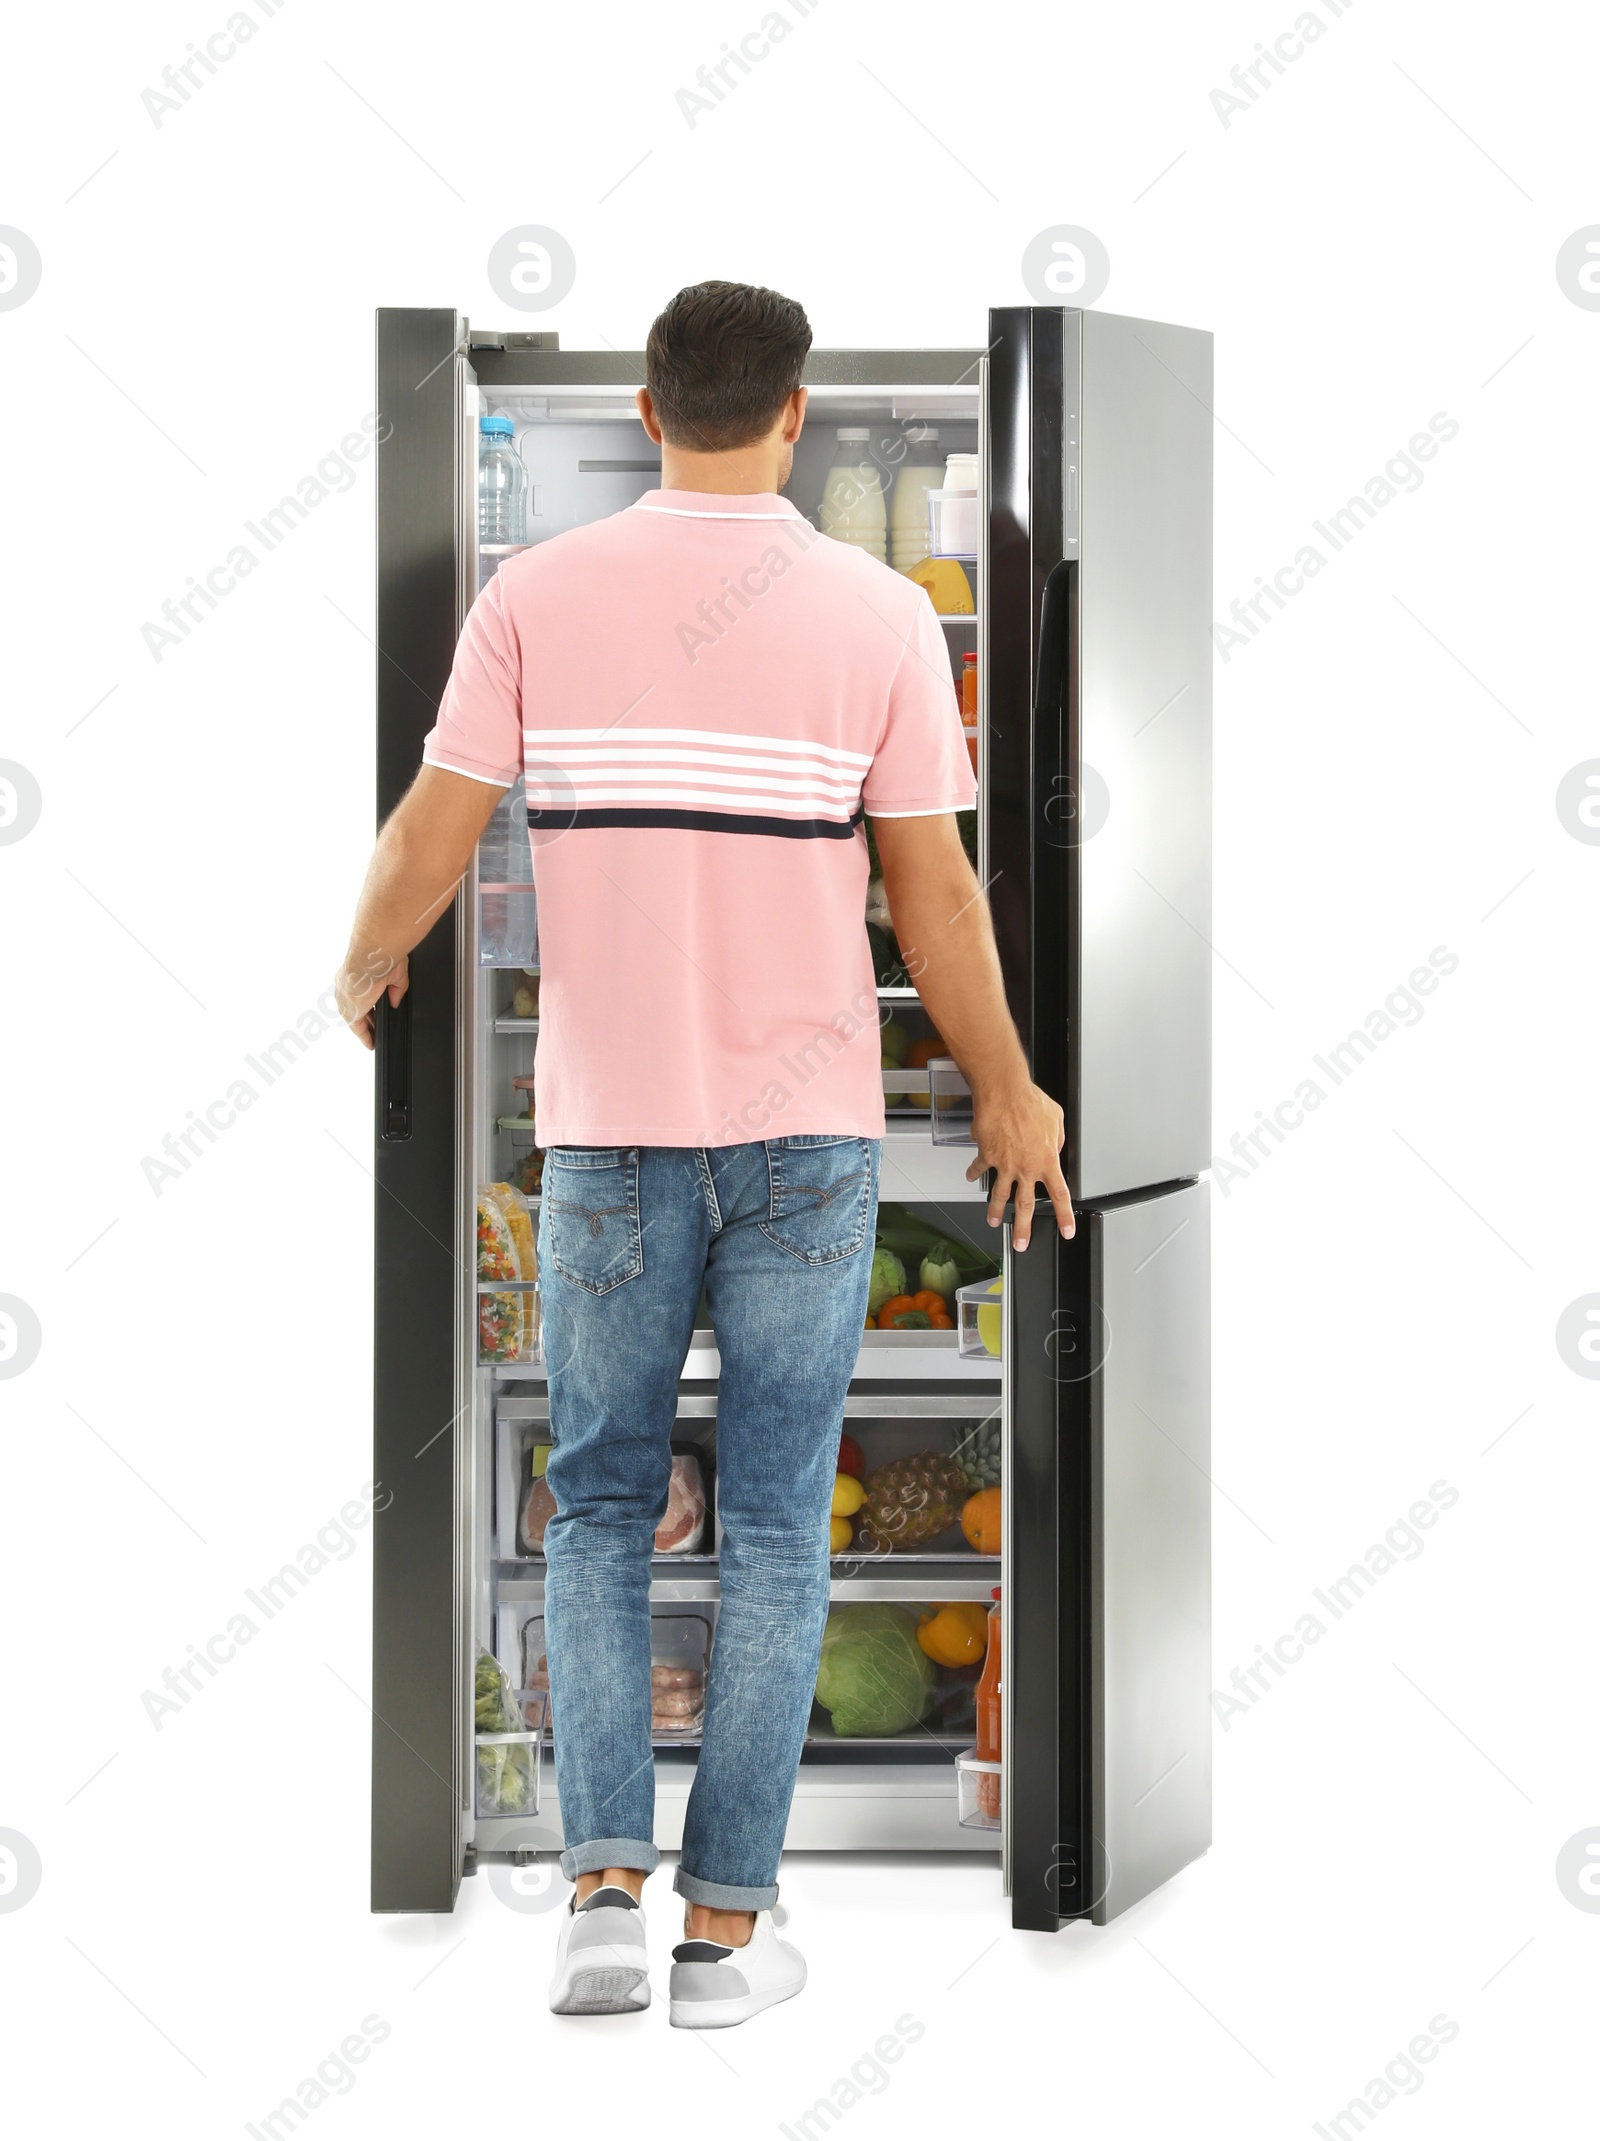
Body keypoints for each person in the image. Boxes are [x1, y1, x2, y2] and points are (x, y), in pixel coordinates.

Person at [336, 280, 1073, 2028]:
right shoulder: (882, 610)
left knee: (594, 1509)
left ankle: (598, 1886)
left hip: (605, 1137)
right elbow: (936, 891)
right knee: (770, 1525)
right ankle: (723, 1937)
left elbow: (436, 832)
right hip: (808, 1145)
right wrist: (1012, 1084)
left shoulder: (538, 593)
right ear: (797, 416)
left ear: (651, 413)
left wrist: (365, 962)